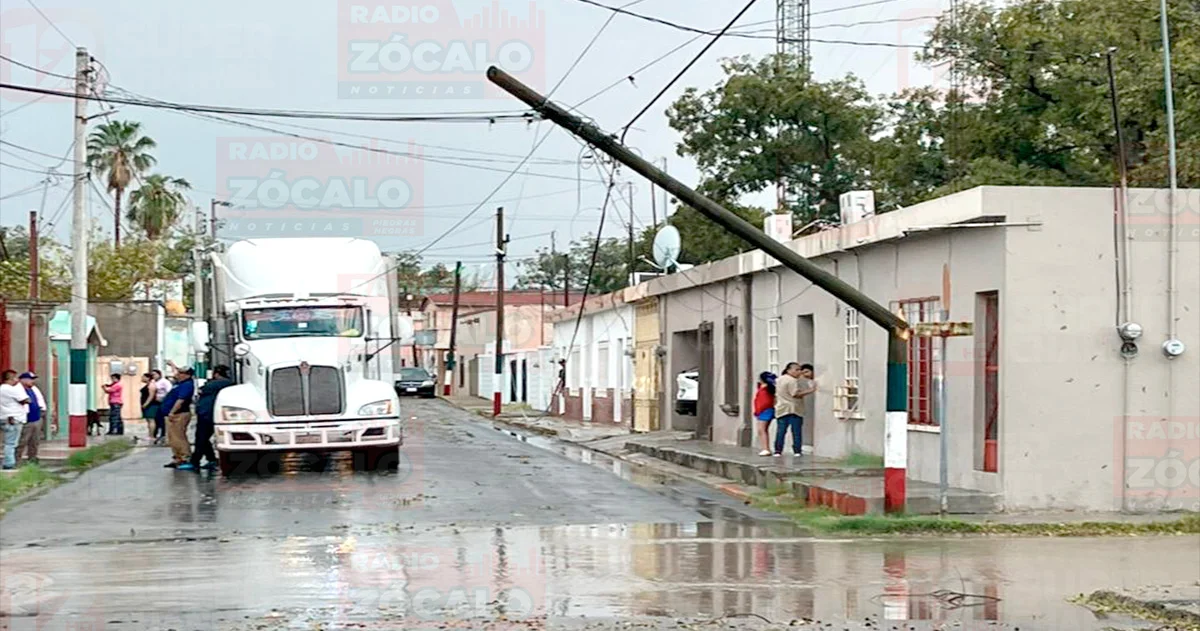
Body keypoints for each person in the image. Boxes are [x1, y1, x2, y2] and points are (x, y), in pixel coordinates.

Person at [187, 364, 234, 472]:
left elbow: (201, 391)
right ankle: (211, 458)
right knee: (205, 438)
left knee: (201, 438)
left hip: (206, 414)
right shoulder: (230, 384)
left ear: (216, 374)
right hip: (219, 414)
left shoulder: (212, 385)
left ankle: (195, 461)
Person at [773, 362, 816, 457]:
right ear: (789, 370)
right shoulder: (792, 381)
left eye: (800, 370)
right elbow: (795, 394)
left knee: (781, 431)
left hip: (781, 408)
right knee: (796, 431)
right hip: (793, 409)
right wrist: (811, 390)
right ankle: (797, 450)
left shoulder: (779, 379)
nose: (799, 372)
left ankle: (778, 450)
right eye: (797, 370)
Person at [161, 367, 195, 469]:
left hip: (179, 414)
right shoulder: (179, 384)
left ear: (187, 375)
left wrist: (172, 411)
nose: (178, 374)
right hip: (170, 414)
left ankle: (185, 457)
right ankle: (177, 457)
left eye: (181, 373)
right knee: (172, 438)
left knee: (179, 437)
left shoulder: (187, 385)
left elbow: (181, 400)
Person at [16, 372, 49, 466]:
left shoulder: (33, 389)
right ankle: (17, 460)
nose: (32, 381)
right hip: (26, 419)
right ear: (22, 380)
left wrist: (42, 411)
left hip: (36, 418)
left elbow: (40, 400)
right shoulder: (17, 389)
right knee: (22, 441)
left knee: (34, 441)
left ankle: (32, 459)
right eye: (30, 379)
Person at [0, 370, 30, 470]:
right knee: (11, 443)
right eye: (15, 378)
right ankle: (9, 464)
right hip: (13, 419)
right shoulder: (10, 389)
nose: (17, 380)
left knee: (9, 442)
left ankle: (8, 462)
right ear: (11, 378)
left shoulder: (1, 388)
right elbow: (26, 400)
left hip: (4, 417)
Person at [753, 371, 776, 456]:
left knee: (761, 430)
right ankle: (765, 448)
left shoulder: (765, 389)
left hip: (764, 410)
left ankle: (766, 448)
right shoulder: (768, 388)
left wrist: (758, 411)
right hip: (766, 410)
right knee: (763, 429)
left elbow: (764, 402)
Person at [152, 369, 171, 444]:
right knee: (157, 419)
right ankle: (156, 434)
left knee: (162, 419)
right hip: (156, 402)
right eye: (152, 375)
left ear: (159, 374)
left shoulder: (164, 382)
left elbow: (169, 391)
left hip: (163, 402)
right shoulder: (154, 382)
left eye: (155, 374)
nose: (153, 376)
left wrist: (164, 398)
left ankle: (163, 434)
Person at [139, 372, 157, 441]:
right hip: (146, 405)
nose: (142, 378)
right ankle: (149, 435)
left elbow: (151, 396)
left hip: (151, 405)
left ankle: (152, 436)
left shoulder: (151, 385)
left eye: (143, 377)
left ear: (148, 378)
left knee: (151, 420)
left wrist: (146, 404)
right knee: (148, 420)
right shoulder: (148, 385)